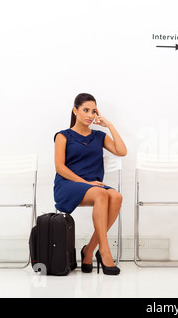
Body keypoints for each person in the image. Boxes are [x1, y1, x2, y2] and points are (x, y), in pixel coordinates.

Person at [54, 93, 127, 275]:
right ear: (75, 111)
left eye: (93, 111)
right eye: (86, 110)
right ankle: (104, 251)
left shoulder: (99, 136)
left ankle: (89, 251)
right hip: (68, 185)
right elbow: (60, 168)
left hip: (93, 186)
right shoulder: (63, 136)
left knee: (116, 196)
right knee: (101, 193)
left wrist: (109, 125)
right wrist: (86, 183)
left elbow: (122, 151)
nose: (90, 115)